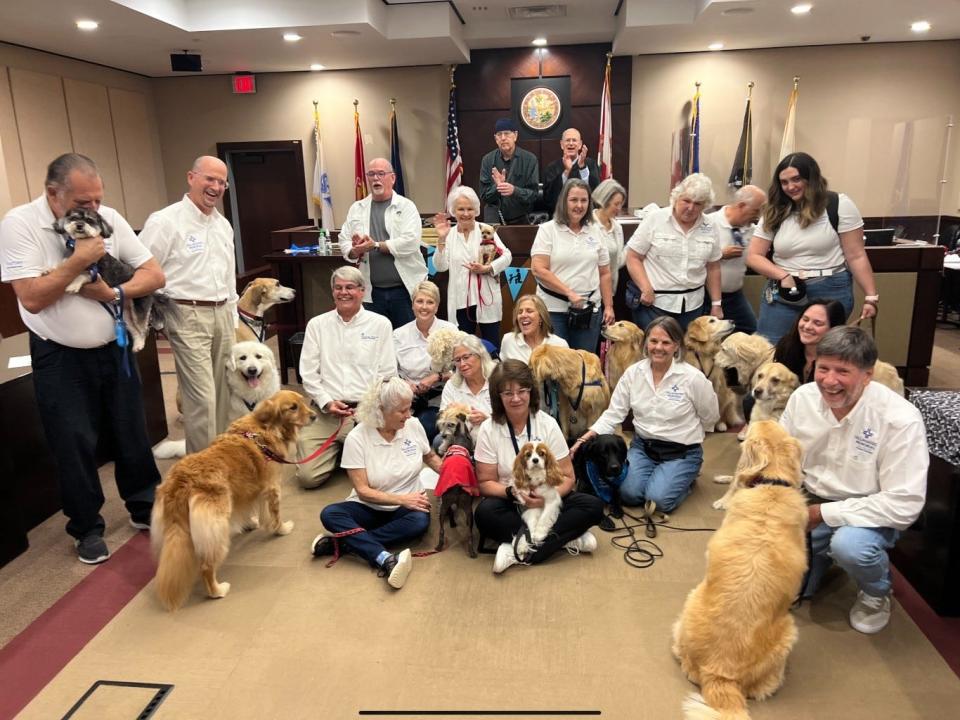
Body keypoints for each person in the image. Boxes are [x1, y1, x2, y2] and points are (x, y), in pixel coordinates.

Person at [0, 153, 165, 564]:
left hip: (115, 346)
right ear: (53, 194)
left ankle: (145, 506)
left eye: (97, 200)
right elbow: (32, 298)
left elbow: (154, 275)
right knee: (72, 440)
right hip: (60, 355)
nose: (93, 210)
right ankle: (87, 527)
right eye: (83, 203)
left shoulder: (108, 217)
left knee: (131, 430)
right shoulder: (20, 224)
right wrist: (78, 261)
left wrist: (115, 293)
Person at [780, 326, 927, 634]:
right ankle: (820, 554)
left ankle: (876, 592)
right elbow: (783, 457)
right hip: (810, 498)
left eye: (843, 372)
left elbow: (904, 504)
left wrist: (821, 515)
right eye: (823, 368)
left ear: (867, 375)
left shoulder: (899, 418)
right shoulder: (802, 399)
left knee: (850, 547)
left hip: (868, 511)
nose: (829, 381)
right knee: (792, 589)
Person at [139, 155, 236, 454]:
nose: (216, 187)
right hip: (186, 313)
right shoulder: (165, 221)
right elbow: (141, 269)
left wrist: (232, 317)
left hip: (222, 313)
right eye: (210, 179)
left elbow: (228, 275)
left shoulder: (223, 226)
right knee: (202, 399)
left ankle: (218, 458)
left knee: (224, 394)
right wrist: (157, 319)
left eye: (222, 182)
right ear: (191, 177)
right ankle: (202, 473)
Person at [575, 316, 719, 514]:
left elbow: (710, 416)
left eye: (666, 342)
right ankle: (662, 477)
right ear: (646, 343)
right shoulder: (634, 374)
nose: (658, 347)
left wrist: (686, 436)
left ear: (677, 346)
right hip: (643, 448)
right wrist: (584, 439)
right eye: (653, 341)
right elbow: (614, 413)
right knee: (628, 495)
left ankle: (686, 477)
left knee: (657, 501)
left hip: (681, 453)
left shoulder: (693, 378)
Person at [311, 377, 443, 590]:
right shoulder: (357, 438)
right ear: (381, 410)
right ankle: (384, 558)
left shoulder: (413, 425)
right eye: (402, 411)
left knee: (419, 522)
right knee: (330, 514)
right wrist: (402, 499)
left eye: (410, 408)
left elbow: (430, 457)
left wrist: (457, 475)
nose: (408, 415)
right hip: (371, 505)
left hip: (407, 508)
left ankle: (343, 544)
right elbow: (363, 491)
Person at [474, 360, 605, 573]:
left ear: (531, 392)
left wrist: (546, 498)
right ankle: (565, 539)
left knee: (593, 506)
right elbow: (485, 483)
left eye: (522, 391)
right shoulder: (489, 429)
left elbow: (568, 478)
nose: (515, 398)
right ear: (498, 396)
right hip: (513, 502)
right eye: (507, 393)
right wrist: (512, 492)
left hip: (549, 496)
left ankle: (518, 548)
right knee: (484, 513)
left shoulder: (547, 424)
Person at [746, 152, 878, 344]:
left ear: (811, 178)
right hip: (785, 290)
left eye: (796, 179)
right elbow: (753, 255)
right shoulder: (775, 210)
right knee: (772, 348)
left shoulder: (838, 205)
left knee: (826, 351)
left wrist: (871, 296)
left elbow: (856, 255)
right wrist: (782, 275)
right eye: (784, 182)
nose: (790, 187)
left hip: (831, 288)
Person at [297, 266, 397, 488]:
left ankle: (347, 449)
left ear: (362, 291)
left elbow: (388, 374)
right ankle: (342, 449)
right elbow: (308, 373)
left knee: (381, 477)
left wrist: (368, 406)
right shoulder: (317, 325)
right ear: (332, 291)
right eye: (338, 287)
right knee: (307, 478)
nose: (344, 292)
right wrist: (327, 401)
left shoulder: (380, 324)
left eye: (350, 287)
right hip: (326, 412)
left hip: (366, 411)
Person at [625, 172, 723, 333]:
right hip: (654, 304)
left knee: (687, 353)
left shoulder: (710, 226)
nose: (691, 208)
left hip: (693, 306)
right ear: (676, 198)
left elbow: (713, 267)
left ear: (705, 205)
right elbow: (633, 257)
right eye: (686, 201)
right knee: (656, 352)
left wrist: (716, 304)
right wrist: (645, 288)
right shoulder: (655, 219)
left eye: (698, 204)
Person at [340, 157, 427, 329]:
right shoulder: (357, 208)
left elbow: (411, 242)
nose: (375, 178)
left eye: (381, 174)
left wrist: (376, 245)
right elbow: (344, 240)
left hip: (404, 290)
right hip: (372, 293)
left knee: (407, 342)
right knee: (375, 341)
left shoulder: (406, 206)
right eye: (371, 174)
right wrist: (355, 250)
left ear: (392, 178)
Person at [530, 178, 615, 352]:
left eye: (584, 200)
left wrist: (609, 306)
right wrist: (569, 293)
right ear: (564, 202)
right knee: (556, 366)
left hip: (588, 310)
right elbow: (538, 269)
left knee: (584, 364)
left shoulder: (596, 230)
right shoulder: (548, 230)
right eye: (574, 200)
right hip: (553, 310)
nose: (579, 205)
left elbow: (605, 273)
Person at [432, 186, 512, 348]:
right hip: (461, 301)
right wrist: (441, 239)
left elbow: (507, 256)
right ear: (454, 211)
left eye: (470, 209)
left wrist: (487, 269)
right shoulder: (449, 234)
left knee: (491, 347)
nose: (466, 213)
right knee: (463, 348)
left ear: (476, 210)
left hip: (486, 299)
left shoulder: (486, 230)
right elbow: (440, 266)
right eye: (461, 209)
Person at [393, 280, 457, 443]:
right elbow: (390, 371)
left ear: (436, 307)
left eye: (430, 302)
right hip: (407, 398)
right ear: (412, 304)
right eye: (419, 301)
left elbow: (461, 371)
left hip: (438, 398)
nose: (424, 307)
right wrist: (405, 384)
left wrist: (438, 376)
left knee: (421, 427)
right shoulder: (399, 334)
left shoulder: (450, 331)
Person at [702, 184, 766, 335]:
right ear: (742, 206)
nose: (758, 216)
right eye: (756, 210)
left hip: (735, 295)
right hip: (705, 296)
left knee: (752, 331)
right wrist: (721, 255)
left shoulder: (752, 229)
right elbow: (691, 260)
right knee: (707, 338)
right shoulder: (708, 224)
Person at [478, 118, 539, 225]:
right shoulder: (487, 160)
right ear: (495, 138)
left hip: (521, 219)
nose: (503, 138)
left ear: (515, 135)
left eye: (507, 134)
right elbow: (483, 196)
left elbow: (533, 195)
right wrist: (497, 188)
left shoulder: (530, 159)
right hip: (494, 220)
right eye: (499, 134)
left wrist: (514, 190)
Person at [773, 298, 847, 383]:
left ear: (833, 329)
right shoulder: (787, 345)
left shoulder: (842, 360)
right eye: (805, 319)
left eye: (817, 323)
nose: (807, 326)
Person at [439, 333, 497, 441]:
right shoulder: (452, 385)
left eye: (466, 357)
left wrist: (487, 419)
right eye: (457, 360)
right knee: (439, 441)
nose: (462, 364)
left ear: (480, 355)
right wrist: (450, 413)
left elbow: (512, 417)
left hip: (494, 434)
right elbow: (442, 420)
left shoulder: (498, 379)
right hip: (461, 437)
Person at [541, 128, 601, 214]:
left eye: (574, 140)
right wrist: (567, 172)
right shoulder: (552, 168)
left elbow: (596, 194)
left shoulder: (591, 165)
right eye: (568, 140)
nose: (571, 143)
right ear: (562, 144)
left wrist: (582, 168)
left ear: (580, 144)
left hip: (586, 216)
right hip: (560, 217)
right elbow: (549, 199)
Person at [499, 294, 569, 364]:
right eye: (520, 312)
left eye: (529, 311)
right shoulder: (508, 340)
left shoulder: (560, 344)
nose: (523, 315)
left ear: (541, 317)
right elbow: (502, 373)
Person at [591, 178, 628, 295]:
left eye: (621, 204)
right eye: (616, 204)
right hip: (590, 291)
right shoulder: (588, 225)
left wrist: (633, 248)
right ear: (604, 201)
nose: (619, 209)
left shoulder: (617, 228)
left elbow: (617, 261)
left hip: (609, 291)